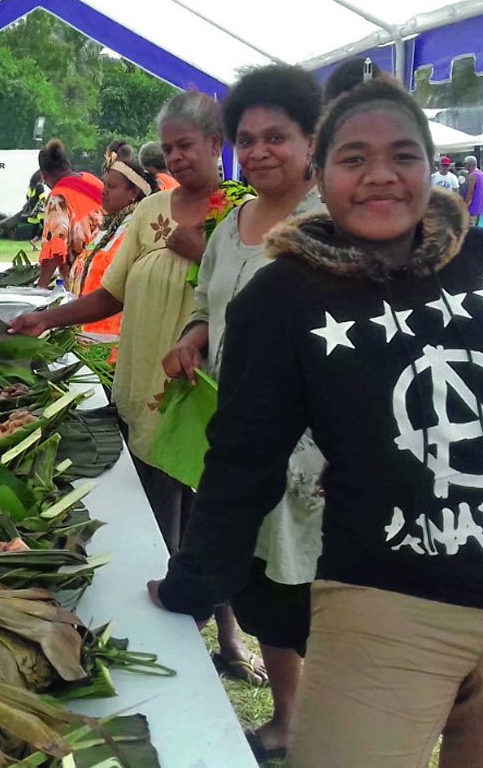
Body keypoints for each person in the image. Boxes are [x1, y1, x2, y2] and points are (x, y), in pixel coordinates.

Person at [150, 74, 483, 768]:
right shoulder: (282, 297)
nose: (380, 175)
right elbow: (243, 457)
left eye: (403, 155)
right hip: (389, 598)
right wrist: (195, 583)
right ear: (321, 173)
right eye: (353, 158)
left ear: (429, 165)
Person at [11, 91, 260, 685]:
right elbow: (113, 294)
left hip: (209, 392)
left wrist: (200, 248)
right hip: (145, 384)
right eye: (169, 147)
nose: (176, 158)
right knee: (161, 526)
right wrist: (50, 317)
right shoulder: (151, 211)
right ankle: (179, 647)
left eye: (187, 146)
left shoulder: (245, 212)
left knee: (215, 518)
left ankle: (228, 638)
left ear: (217, 146)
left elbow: (260, 296)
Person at [160, 64, 325, 763]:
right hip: (238, 432)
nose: (258, 151)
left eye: (276, 137)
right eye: (247, 139)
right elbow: (207, 302)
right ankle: (287, 716)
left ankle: (319, 721)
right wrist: (191, 338)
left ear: (310, 140)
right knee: (260, 579)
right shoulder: (231, 226)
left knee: (304, 579)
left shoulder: (329, 224)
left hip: (309, 442)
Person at [66, 155, 155, 342]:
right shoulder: (107, 226)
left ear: (134, 192)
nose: (104, 191)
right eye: (104, 185)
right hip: (87, 336)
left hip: (113, 342)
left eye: (112, 187)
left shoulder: (138, 228)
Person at [34, 139, 104, 288]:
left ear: (44, 175)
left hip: (85, 280)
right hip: (108, 269)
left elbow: (55, 249)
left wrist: (39, 289)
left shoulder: (58, 197)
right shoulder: (92, 180)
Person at [0, 170, 47, 247]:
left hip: (32, 212)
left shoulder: (31, 187)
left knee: (37, 228)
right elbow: (43, 198)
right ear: (40, 177)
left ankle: (34, 243)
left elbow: (28, 197)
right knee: (47, 227)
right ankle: (39, 243)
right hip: (40, 212)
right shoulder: (40, 186)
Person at [463, 154, 483, 228]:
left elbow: (470, 192)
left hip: (473, 208)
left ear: (469, 164)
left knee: (471, 230)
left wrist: (465, 205)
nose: (464, 166)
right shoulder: (482, 174)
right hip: (482, 208)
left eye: (465, 164)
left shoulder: (472, 175)